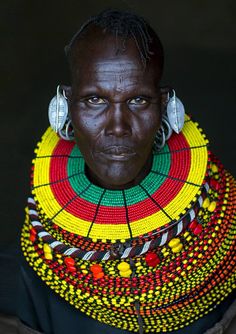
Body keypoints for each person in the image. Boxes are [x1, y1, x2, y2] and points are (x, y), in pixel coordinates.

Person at [18, 9, 236, 334]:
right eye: (94, 100)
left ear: (165, 105)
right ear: (65, 103)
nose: (118, 127)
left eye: (138, 100)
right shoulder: (37, 247)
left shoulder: (225, 218)